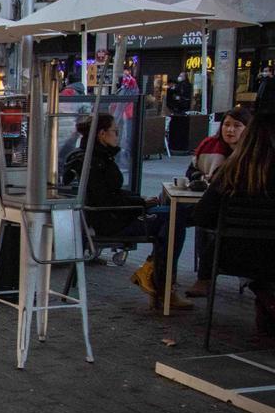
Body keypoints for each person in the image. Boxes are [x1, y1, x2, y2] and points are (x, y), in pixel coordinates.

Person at [62, 113, 193, 309]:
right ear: (102, 134)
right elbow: (105, 199)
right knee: (174, 219)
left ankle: (155, 274)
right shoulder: (95, 161)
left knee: (173, 216)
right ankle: (163, 285)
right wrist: (140, 203)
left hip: (110, 216)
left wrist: (140, 201)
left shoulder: (93, 156)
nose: (118, 135)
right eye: (115, 131)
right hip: (112, 221)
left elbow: (108, 193)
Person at [192, 111, 275, 333]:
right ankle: (267, 299)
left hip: (232, 255)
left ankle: (265, 297)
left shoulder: (230, 171)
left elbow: (202, 216)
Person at [186, 107, 252, 297]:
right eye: (227, 125)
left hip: (232, 247)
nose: (230, 130)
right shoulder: (211, 147)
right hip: (262, 250)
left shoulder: (232, 169)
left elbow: (202, 215)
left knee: (182, 217)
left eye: (236, 126)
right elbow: (191, 172)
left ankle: (198, 278)